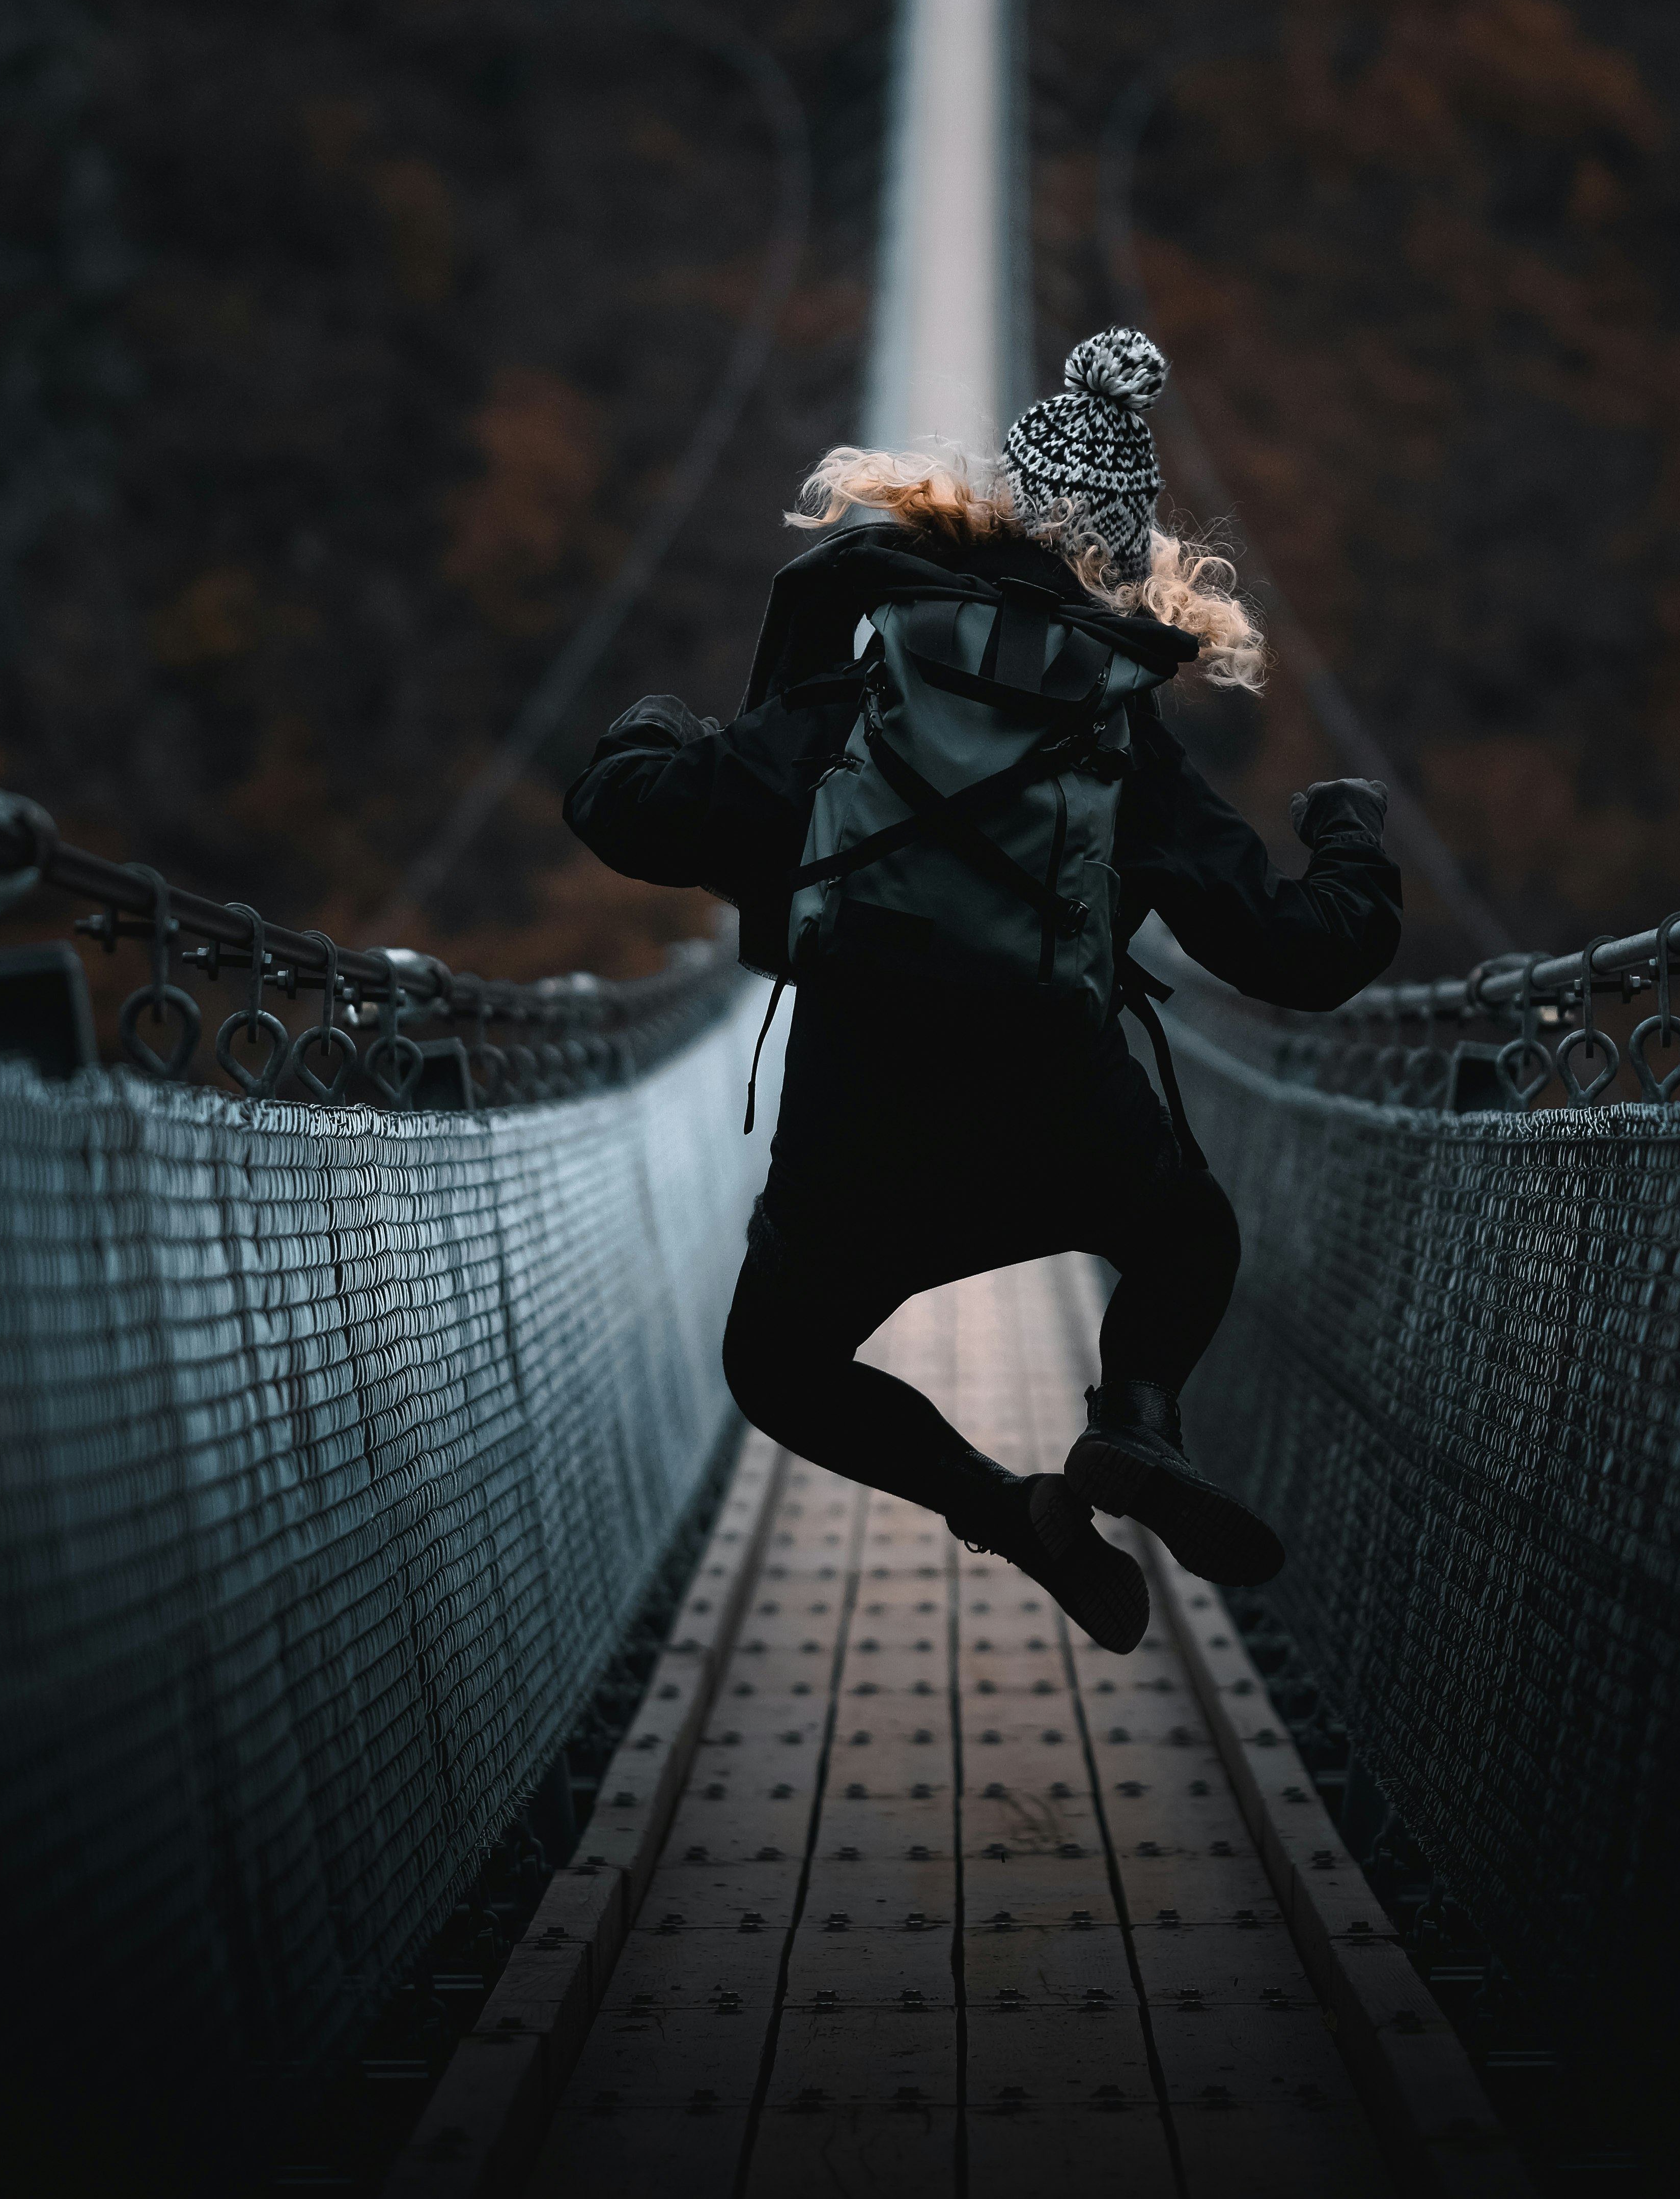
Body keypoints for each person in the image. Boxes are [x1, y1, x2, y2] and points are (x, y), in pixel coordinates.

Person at [565, 329, 1400, 1653]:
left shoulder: (867, 677)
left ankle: (1011, 1514)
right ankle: (1133, 1422)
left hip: (860, 1130)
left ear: (989, 508)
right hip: (1062, 1117)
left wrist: (658, 728)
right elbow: (1296, 956)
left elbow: (635, 819)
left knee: (777, 1368)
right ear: (1124, 558)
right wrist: (1352, 838)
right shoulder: (1119, 726)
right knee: (1188, 1238)